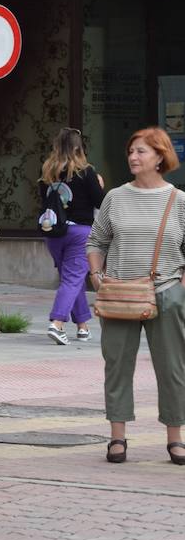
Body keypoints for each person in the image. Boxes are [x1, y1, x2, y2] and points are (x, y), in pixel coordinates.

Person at [86, 126, 185, 465]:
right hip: (118, 293)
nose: (133, 157)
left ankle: (175, 439)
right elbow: (96, 241)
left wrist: (181, 286)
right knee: (117, 366)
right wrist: (97, 276)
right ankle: (117, 438)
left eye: (141, 151)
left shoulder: (179, 200)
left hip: (167, 293)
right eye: (131, 151)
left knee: (172, 368)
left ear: (160, 156)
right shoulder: (115, 196)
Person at [38, 127, 105, 344]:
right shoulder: (86, 172)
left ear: (56, 147)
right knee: (73, 279)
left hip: (53, 232)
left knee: (70, 278)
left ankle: (83, 326)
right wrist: (99, 185)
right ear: (79, 148)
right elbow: (101, 203)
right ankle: (57, 324)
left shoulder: (47, 173)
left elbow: (43, 203)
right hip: (80, 232)